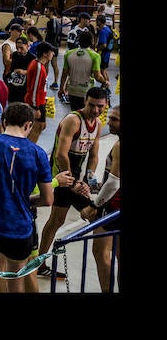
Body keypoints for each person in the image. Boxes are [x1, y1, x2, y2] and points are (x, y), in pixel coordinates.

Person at [0, 102, 62, 293]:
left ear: (4, 121)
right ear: (28, 125)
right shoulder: (38, 153)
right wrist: (25, 201)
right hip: (20, 230)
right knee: (15, 283)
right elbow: (48, 199)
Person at [36, 86, 106, 279]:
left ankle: (102, 258)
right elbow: (60, 155)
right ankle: (39, 263)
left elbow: (93, 155)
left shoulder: (98, 124)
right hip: (61, 173)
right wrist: (73, 181)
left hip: (76, 176)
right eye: (91, 105)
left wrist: (89, 179)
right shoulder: (73, 120)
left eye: (100, 106)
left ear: (105, 105)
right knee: (57, 220)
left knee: (91, 215)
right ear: (85, 101)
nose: (95, 110)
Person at [81, 104, 121, 292]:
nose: (109, 122)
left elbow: (113, 183)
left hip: (113, 208)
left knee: (100, 251)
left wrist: (94, 205)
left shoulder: (120, 146)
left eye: (114, 119)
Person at [24, 41, 56, 143]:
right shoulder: (38, 67)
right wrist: (35, 107)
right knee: (38, 126)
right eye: (51, 52)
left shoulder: (40, 66)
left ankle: (29, 146)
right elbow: (35, 88)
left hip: (40, 101)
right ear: (45, 54)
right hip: (35, 102)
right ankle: (28, 149)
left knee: (41, 125)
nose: (53, 54)